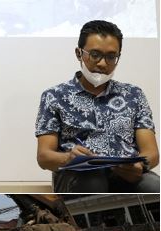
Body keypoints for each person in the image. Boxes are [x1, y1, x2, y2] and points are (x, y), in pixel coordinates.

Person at [35, 20, 159, 193]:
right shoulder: (54, 96)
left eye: (111, 57)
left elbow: (151, 152)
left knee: (154, 187)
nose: (102, 63)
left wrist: (140, 165)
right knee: (93, 182)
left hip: (127, 174)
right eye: (95, 55)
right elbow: (44, 156)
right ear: (79, 53)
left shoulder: (134, 95)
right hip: (77, 175)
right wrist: (68, 158)